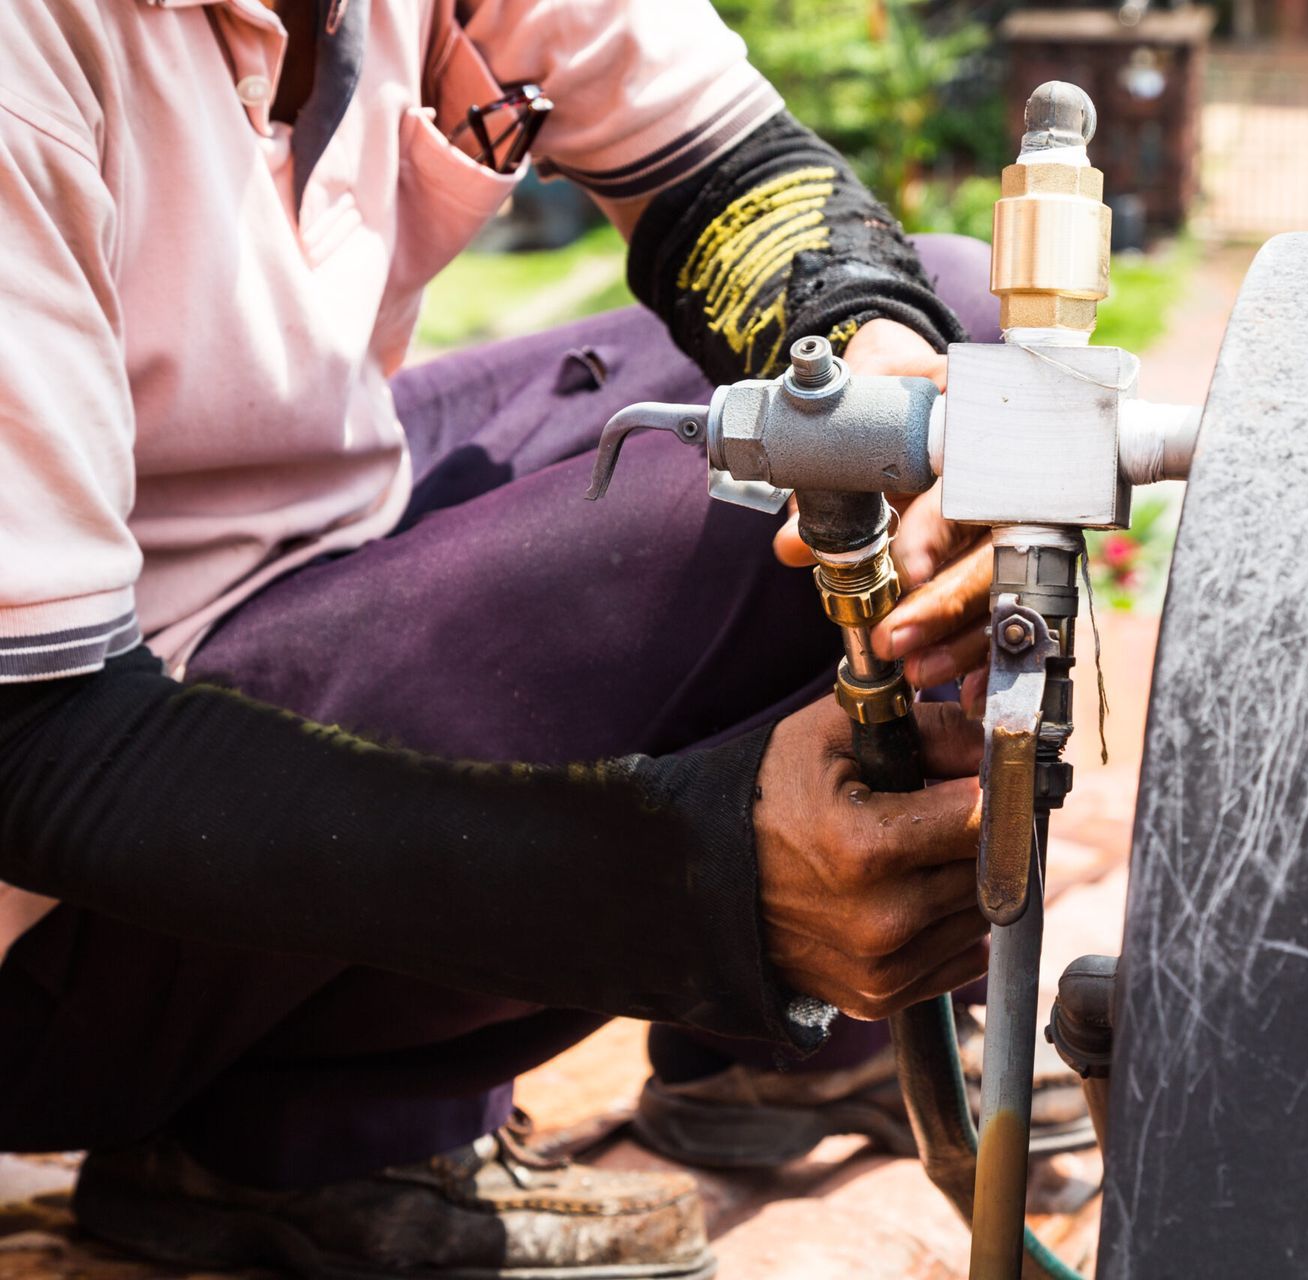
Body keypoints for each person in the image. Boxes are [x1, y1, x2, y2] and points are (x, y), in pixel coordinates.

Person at [0, 1, 1024, 1275]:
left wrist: (882, 360)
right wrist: (687, 888)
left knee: (936, 361)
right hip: (56, 892)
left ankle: (792, 1044)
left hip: (280, 539)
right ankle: (314, 1128)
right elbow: (32, 747)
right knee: (747, 532)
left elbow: (727, 171)